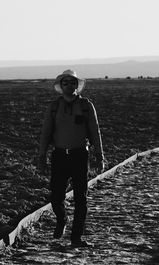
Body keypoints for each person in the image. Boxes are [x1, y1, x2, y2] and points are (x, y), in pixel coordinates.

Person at [37, 69, 105, 247]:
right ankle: (62, 219)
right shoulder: (54, 107)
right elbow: (45, 132)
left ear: (77, 86)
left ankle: (76, 238)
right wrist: (41, 156)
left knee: (81, 198)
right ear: (61, 86)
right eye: (65, 83)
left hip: (80, 155)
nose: (69, 86)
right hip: (59, 155)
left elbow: (95, 131)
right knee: (56, 196)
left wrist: (100, 156)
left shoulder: (86, 106)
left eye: (72, 83)